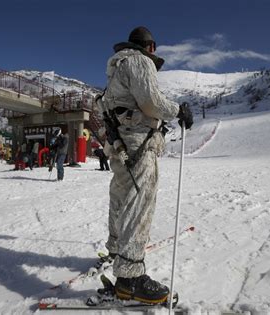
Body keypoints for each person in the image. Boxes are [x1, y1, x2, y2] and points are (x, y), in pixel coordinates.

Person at [95, 26, 193, 304]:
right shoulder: (139, 61)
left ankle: (116, 249)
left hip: (121, 145)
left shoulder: (114, 70)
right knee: (139, 203)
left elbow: (102, 105)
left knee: (121, 197)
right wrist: (178, 110)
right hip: (139, 143)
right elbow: (151, 103)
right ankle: (130, 277)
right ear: (150, 47)